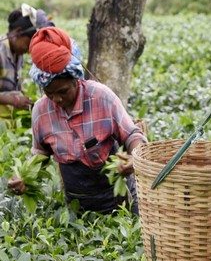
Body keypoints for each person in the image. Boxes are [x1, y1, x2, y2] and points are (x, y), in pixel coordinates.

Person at [7, 27, 146, 215]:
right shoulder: (41, 111)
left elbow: (132, 134)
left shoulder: (102, 97)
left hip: (118, 203)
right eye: (50, 93)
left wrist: (135, 157)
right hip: (75, 208)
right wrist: (24, 178)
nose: (57, 99)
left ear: (76, 80)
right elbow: (40, 153)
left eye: (63, 91)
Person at [0, 4, 54, 116]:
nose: (29, 50)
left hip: (10, 122)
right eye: (29, 43)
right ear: (18, 32)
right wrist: (13, 100)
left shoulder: (18, 54)